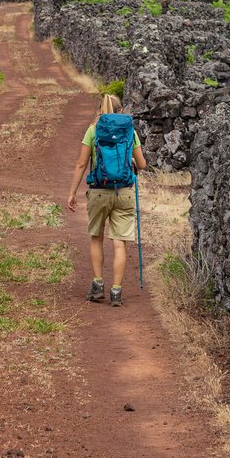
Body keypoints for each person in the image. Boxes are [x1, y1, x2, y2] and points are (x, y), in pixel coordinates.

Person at [66, 93, 146, 306]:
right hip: (125, 191)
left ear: (100, 109)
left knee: (96, 236)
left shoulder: (93, 130)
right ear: (120, 110)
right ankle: (117, 291)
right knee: (119, 242)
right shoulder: (129, 130)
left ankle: (98, 284)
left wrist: (72, 192)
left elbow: (82, 163)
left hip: (99, 190)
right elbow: (143, 163)